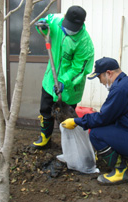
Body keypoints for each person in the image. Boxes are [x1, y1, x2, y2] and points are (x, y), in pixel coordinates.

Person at [62, 57, 128, 185]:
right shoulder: (126, 84)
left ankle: (120, 171)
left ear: (109, 73)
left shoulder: (120, 90)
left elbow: (102, 118)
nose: (100, 82)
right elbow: (110, 117)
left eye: (100, 77)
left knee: (96, 133)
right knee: (112, 125)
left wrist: (77, 121)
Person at [30, 6, 94, 149]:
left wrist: (64, 81)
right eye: (68, 26)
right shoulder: (57, 20)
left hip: (71, 86)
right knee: (45, 110)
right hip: (50, 79)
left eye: (73, 28)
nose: (69, 30)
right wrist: (42, 24)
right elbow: (45, 22)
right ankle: (45, 138)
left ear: (82, 24)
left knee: (67, 118)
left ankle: (72, 146)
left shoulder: (85, 43)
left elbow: (79, 69)